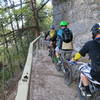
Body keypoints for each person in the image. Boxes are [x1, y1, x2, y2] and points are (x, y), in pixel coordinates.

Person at [71, 23, 100, 96]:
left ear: (94, 32)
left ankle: (88, 92)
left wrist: (73, 60)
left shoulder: (90, 44)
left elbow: (79, 54)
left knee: (82, 71)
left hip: (97, 74)